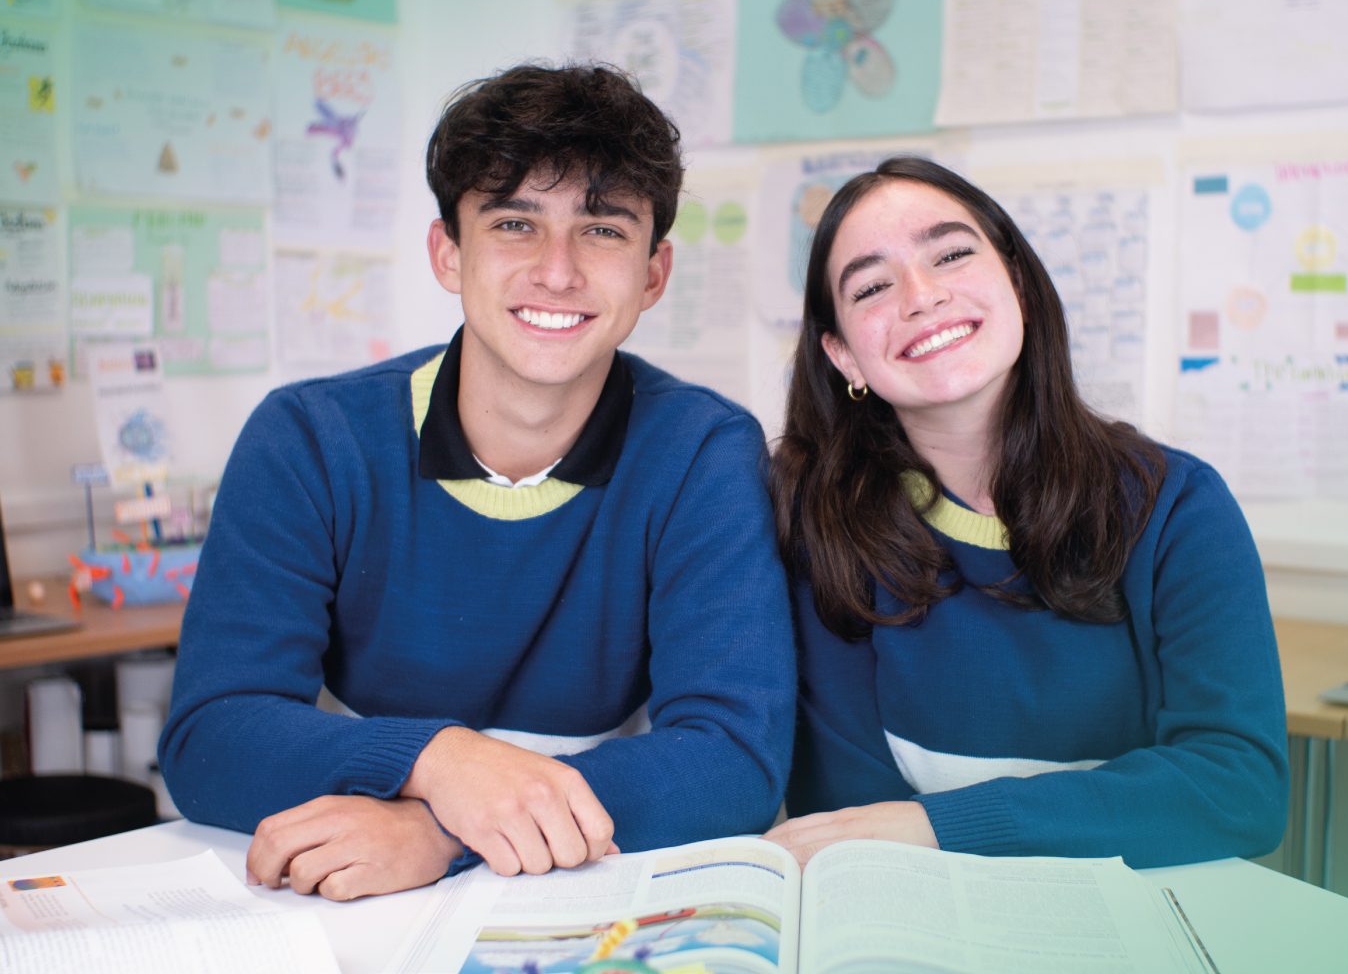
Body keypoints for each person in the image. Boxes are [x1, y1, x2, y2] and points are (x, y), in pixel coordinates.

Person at [160, 65, 795, 900]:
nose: (557, 271)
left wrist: (448, 829)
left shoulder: (704, 451)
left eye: (602, 230)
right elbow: (212, 735)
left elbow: (732, 756)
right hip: (353, 910)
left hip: (579, 898)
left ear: (653, 272)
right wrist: (439, 760)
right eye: (514, 224)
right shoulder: (310, 440)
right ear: (448, 253)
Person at [762, 157, 1288, 868]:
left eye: (950, 253)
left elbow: (1239, 788)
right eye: (873, 286)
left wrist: (940, 826)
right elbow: (851, 821)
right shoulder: (812, 524)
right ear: (844, 356)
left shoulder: (1180, 508)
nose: (921, 296)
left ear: (1021, 286)